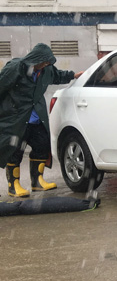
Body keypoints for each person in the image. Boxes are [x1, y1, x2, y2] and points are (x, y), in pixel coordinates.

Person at [0, 43, 83, 197]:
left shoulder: (46, 70)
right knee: (15, 150)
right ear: (36, 59)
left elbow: (58, 75)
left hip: (36, 118)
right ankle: (13, 186)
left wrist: (73, 75)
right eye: (44, 62)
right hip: (17, 119)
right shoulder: (16, 68)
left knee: (43, 145)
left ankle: (37, 182)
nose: (45, 65)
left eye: (47, 63)